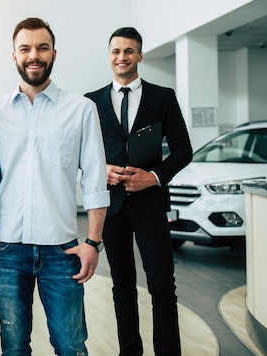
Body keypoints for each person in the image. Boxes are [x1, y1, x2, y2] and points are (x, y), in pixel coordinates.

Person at [0, 17, 110, 355]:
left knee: (70, 345)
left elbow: (95, 180)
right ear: (14, 56)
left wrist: (93, 242)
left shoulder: (81, 110)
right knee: (14, 347)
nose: (33, 55)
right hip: (7, 250)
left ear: (54, 53)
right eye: (25, 48)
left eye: (41, 47)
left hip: (61, 251)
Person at [85, 27, 193, 356]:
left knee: (162, 284)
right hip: (112, 206)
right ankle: (129, 352)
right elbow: (79, 153)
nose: (122, 57)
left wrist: (155, 177)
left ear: (140, 55)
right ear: (109, 56)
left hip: (150, 204)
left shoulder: (163, 97)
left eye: (129, 51)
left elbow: (183, 150)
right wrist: (99, 169)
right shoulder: (91, 102)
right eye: (116, 51)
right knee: (122, 285)